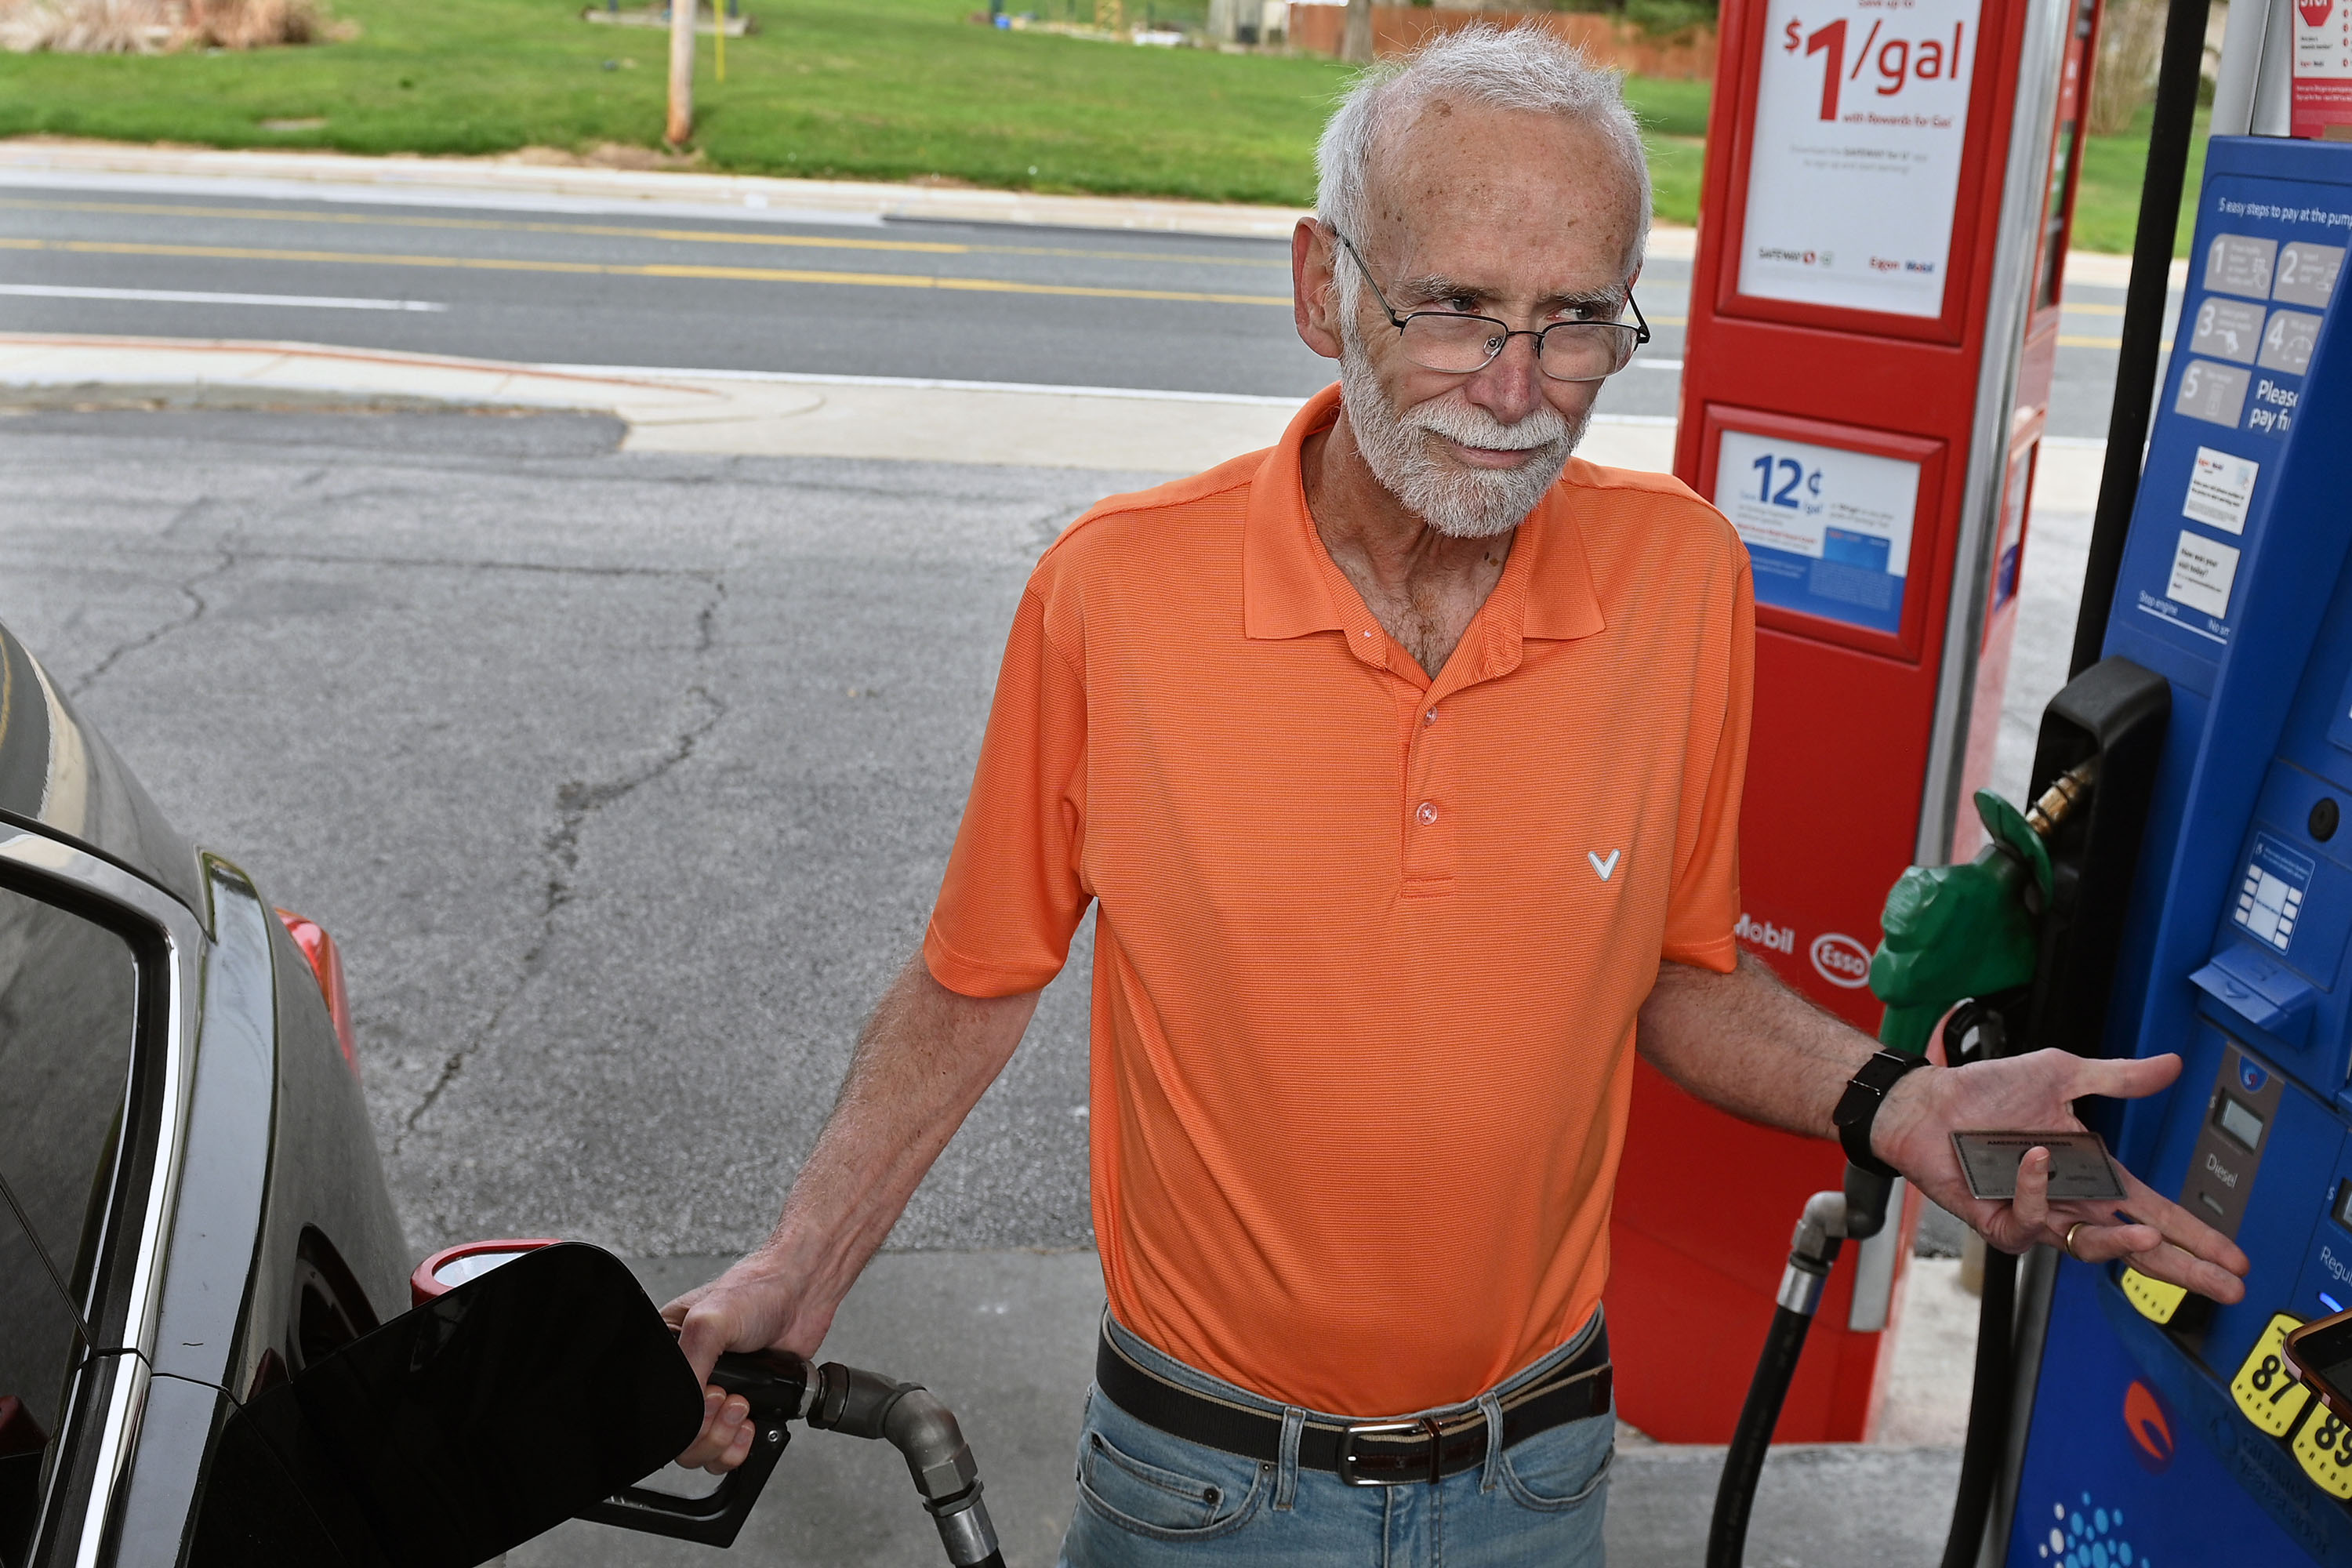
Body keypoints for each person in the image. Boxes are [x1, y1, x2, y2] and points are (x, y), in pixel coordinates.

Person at [662, 25, 2249, 1563]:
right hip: (1204, 1480)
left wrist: (1904, 1102)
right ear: (1319, 287)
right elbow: (974, 982)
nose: (1517, 388)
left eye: (1574, 320)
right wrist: (799, 1274)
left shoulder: (1680, 576)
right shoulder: (1115, 595)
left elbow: (1678, 973)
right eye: (1457, 310)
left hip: (1538, 1466)